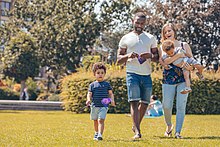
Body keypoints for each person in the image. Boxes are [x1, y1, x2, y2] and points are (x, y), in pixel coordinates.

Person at [117, 11, 159, 139]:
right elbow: (118, 60)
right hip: (132, 73)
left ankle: (136, 126)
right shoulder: (125, 38)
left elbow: (157, 57)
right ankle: (138, 132)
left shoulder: (151, 38)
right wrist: (128, 55)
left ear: (145, 23)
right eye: (137, 22)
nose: (140, 25)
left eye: (142, 23)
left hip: (146, 74)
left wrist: (150, 56)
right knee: (134, 102)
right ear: (132, 21)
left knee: (145, 102)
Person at [159, 23, 193, 139]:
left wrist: (190, 67)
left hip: (183, 79)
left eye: (170, 31)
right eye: (165, 32)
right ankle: (169, 126)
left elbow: (191, 61)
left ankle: (178, 132)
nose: (168, 33)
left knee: (181, 106)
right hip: (168, 78)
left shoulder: (184, 44)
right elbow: (165, 62)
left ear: (174, 31)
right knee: (166, 106)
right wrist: (178, 55)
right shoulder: (162, 46)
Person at [86, 62, 115, 141]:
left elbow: (111, 94)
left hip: (104, 106)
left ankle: (100, 135)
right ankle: (96, 132)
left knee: (101, 120)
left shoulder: (107, 84)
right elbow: (89, 94)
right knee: (95, 120)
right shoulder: (92, 85)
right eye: (98, 73)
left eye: (102, 73)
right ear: (94, 74)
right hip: (94, 106)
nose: (100, 74)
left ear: (104, 74)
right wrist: (88, 100)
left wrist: (112, 100)